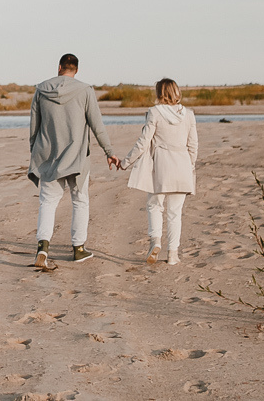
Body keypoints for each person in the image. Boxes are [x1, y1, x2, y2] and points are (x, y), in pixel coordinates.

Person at [28, 53, 120, 268]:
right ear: (76, 70)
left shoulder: (41, 90)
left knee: (48, 202)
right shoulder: (85, 90)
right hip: (77, 159)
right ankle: (78, 249)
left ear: (59, 67)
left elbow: (34, 127)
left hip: (48, 156)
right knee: (80, 201)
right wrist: (109, 152)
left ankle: (43, 247)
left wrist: (35, 153)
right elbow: (97, 126)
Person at [118, 78, 198, 265]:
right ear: (176, 92)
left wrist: (125, 162)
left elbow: (143, 142)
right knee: (175, 213)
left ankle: (155, 242)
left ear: (159, 93)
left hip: (161, 166)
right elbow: (193, 145)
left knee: (155, 205)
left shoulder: (154, 112)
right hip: (183, 165)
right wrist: (190, 165)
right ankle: (173, 254)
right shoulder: (189, 114)